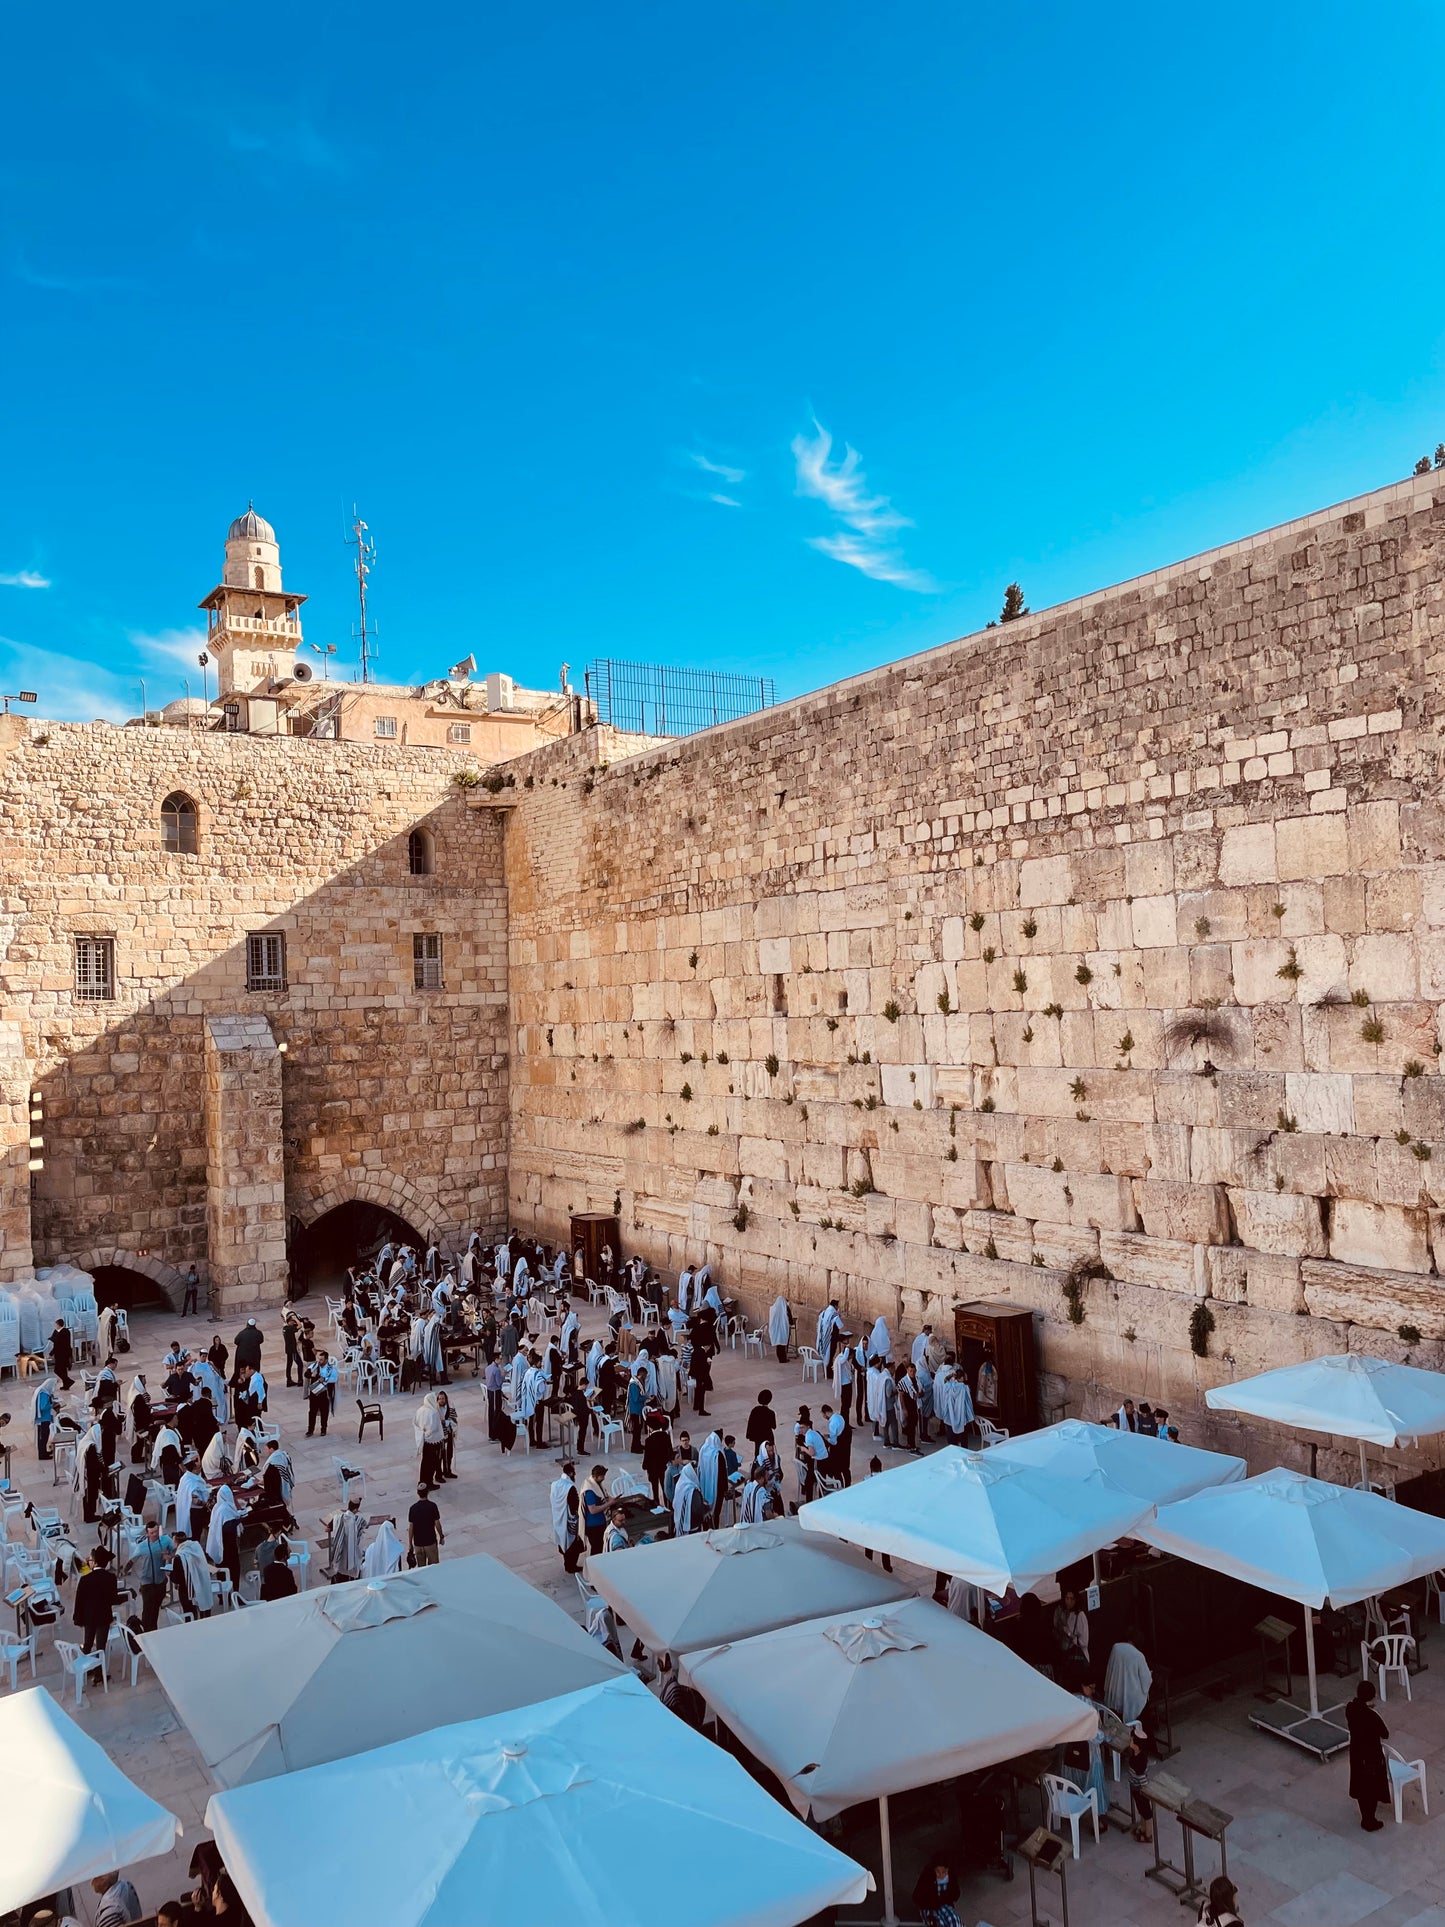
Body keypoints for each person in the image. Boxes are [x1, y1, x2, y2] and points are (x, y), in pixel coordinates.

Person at [1346, 1679, 1389, 1830]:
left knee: (1360, 1785)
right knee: (1371, 1789)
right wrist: (1372, 1710)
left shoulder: (1350, 1709)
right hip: (1371, 1757)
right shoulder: (1371, 1717)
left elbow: (1356, 1707)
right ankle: (1369, 1820)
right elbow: (1385, 1733)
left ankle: (1365, 1816)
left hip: (1357, 1754)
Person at [128, 1520, 174, 1632]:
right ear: (147, 1534)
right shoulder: (142, 1546)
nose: (155, 1534)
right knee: (147, 1608)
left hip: (160, 1581)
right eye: (152, 1533)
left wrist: (168, 1556)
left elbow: (175, 1551)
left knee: (156, 1607)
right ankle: (147, 1631)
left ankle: (153, 1628)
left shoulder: (166, 1540)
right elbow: (132, 1560)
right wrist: (124, 1570)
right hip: (146, 1582)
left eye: (156, 1531)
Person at [73, 1546, 121, 1655]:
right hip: (104, 1616)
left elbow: (79, 1600)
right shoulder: (111, 1577)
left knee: (88, 1643)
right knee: (101, 1646)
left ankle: (87, 1667)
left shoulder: (85, 1579)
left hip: (88, 1617)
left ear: (95, 1562)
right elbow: (113, 1599)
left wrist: (77, 1618)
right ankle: (100, 1670)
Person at [550, 1461, 584, 1573]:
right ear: (570, 1473)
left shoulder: (554, 1484)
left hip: (557, 1518)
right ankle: (571, 1566)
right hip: (568, 1520)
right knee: (572, 1543)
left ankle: (568, 1564)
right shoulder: (570, 1487)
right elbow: (574, 1504)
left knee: (563, 1541)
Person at [325, 1496, 366, 1583]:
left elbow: (328, 1528)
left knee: (341, 1578)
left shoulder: (337, 1518)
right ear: (356, 1509)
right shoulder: (358, 1520)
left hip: (340, 1556)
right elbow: (365, 1525)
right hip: (352, 1556)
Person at [911, 1860, 961, 1927]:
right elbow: (916, 1897)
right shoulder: (927, 1877)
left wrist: (947, 1897)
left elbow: (956, 1895)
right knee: (937, 1923)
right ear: (933, 1870)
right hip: (930, 1907)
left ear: (948, 1870)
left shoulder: (951, 1878)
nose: (941, 1875)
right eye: (938, 1871)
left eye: (944, 1872)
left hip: (945, 1906)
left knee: (953, 1921)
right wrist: (931, 1901)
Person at [415, 1391, 447, 1492]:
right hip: (433, 1441)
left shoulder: (420, 1410)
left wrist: (423, 1432)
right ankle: (429, 1482)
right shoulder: (433, 1412)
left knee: (424, 1462)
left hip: (425, 1440)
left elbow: (415, 1422)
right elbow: (434, 1427)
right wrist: (428, 1432)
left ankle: (422, 1481)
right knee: (432, 1462)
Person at [408, 1483, 444, 1566]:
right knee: (434, 1568)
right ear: (427, 1492)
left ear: (417, 1493)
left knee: (421, 1569)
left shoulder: (413, 1508)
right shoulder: (432, 1506)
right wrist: (441, 1536)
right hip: (430, 1542)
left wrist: (410, 1544)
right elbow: (437, 1524)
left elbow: (411, 1528)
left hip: (418, 1544)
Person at [1054, 1587, 1090, 1671]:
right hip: (1067, 1657)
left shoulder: (1080, 1616)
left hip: (1079, 1657)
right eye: (1067, 1598)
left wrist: (1069, 1634)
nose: (1069, 1602)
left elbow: (1084, 1642)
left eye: (1072, 1599)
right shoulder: (1064, 1613)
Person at [306, 1352, 336, 1437]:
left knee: (324, 1412)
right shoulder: (314, 1366)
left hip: (324, 1393)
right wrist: (312, 1375)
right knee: (312, 1411)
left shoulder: (331, 1368)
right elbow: (306, 1374)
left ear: (326, 1360)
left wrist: (325, 1379)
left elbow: (334, 1378)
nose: (320, 1361)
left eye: (322, 1360)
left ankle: (323, 1429)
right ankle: (310, 1430)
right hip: (314, 1393)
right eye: (319, 1359)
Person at [32, 1373, 57, 1460]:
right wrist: (51, 1405)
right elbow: (43, 1407)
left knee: (44, 1436)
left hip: (43, 1418)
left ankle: (44, 1452)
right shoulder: (44, 1394)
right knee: (43, 1437)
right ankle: (42, 1454)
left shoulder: (44, 1392)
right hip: (43, 1418)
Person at [49, 1317, 74, 1390]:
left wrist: (51, 1353)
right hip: (58, 1354)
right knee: (62, 1370)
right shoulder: (56, 1331)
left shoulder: (65, 1332)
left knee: (59, 1370)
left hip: (63, 1354)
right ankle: (66, 1384)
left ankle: (68, 1381)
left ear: (58, 1324)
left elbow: (59, 1342)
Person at [768, 1293, 792, 1363]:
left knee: (778, 1344)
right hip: (783, 1329)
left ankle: (780, 1358)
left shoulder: (774, 1308)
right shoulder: (785, 1308)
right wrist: (791, 1323)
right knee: (783, 1344)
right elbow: (790, 1317)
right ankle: (784, 1359)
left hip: (776, 1330)